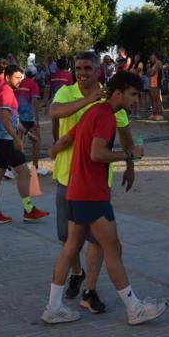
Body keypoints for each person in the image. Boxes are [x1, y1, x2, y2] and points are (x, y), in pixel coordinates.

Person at [42, 72, 167, 325]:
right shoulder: (106, 116)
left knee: (71, 248)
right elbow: (97, 153)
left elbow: (69, 137)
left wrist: (54, 149)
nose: (136, 100)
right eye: (133, 94)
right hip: (91, 194)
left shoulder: (93, 112)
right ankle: (134, 308)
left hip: (76, 191)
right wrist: (129, 156)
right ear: (118, 93)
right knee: (113, 248)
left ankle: (53, 307)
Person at [49, 51, 134, 315]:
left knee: (101, 243)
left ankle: (90, 291)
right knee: (68, 240)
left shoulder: (110, 105)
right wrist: (88, 101)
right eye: (78, 68)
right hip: (69, 177)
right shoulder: (68, 93)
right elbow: (55, 114)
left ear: (99, 70)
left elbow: (125, 134)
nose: (82, 72)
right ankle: (73, 280)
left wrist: (130, 165)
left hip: (96, 184)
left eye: (87, 67)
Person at [0, 64, 49, 225]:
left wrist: (27, 133)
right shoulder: (7, 93)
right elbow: (5, 117)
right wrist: (16, 138)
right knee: (24, 173)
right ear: (7, 78)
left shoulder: (4, 91)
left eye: (21, 77)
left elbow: (14, 119)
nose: (20, 80)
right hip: (6, 140)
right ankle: (28, 210)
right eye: (17, 77)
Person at [17, 65, 47, 176]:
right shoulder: (34, 85)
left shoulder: (20, 83)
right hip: (29, 117)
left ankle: (17, 167)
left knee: (19, 141)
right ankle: (35, 167)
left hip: (19, 117)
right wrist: (36, 119)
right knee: (37, 141)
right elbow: (34, 102)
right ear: (34, 75)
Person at [147, 53, 164, 120]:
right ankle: (154, 113)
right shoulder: (153, 64)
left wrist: (148, 68)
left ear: (155, 56)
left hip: (156, 83)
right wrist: (149, 68)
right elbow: (149, 74)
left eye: (151, 56)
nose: (150, 57)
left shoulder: (158, 62)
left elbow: (151, 72)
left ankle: (160, 114)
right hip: (152, 83)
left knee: (157, 99)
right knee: (153, 100)